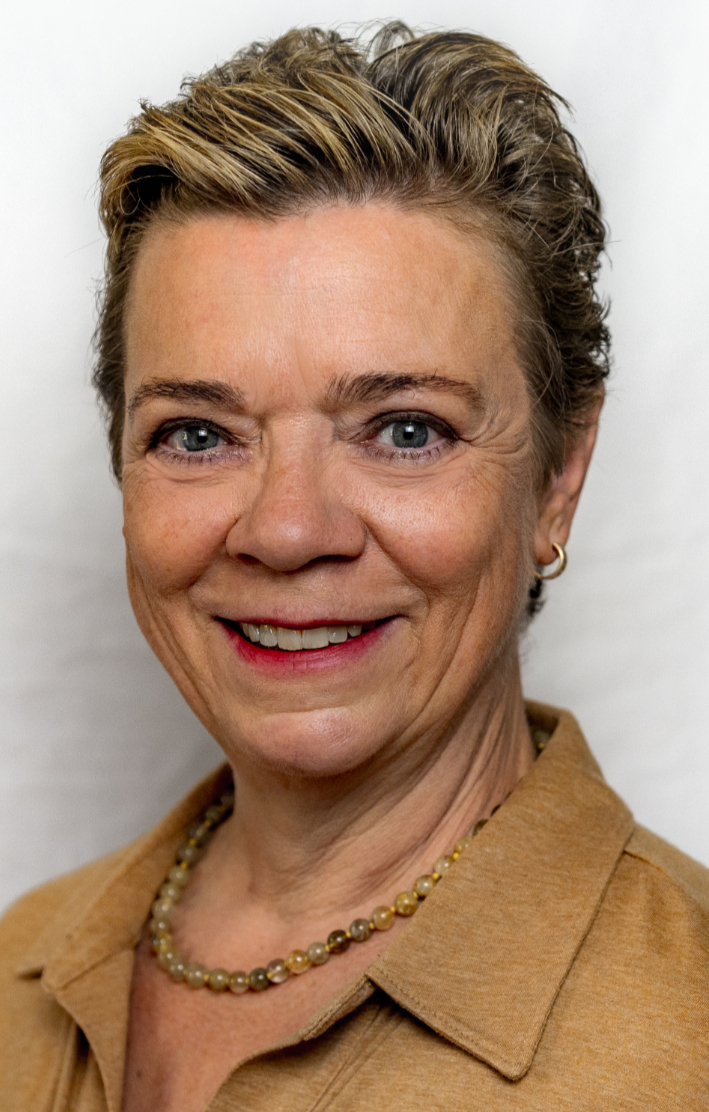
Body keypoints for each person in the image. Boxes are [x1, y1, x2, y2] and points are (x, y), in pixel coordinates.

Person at [1, 22, 707, 1112]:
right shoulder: (20, 966)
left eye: (406, 430)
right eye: (198, 434)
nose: (287, 531)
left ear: (558, 478)